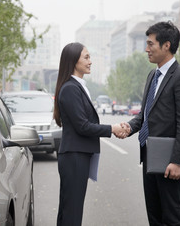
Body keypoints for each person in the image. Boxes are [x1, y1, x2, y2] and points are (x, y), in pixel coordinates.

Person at [120, 21, 180, 226]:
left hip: (170, 161)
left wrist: (178, 161)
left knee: (174, 218)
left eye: (150, 44)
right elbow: (146, 115)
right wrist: (129, 127)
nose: (146, 49)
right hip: (149, 158)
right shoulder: (153, 75)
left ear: (167, 45)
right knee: (155, 217)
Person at [53, 42, 125, 226]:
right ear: (73, 60)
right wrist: (112, 129)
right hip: (74, 157)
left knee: (70, 209)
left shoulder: (76, 86)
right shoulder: (70, 88)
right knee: (72, 212)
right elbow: (83, 126)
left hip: (77, 155)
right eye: (86, 57)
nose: (90, 61)